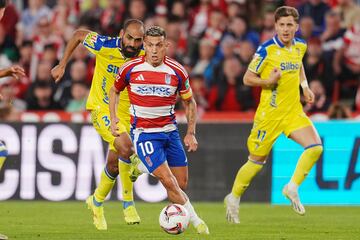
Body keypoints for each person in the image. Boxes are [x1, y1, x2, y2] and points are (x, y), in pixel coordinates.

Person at [224, 6, 323, 224]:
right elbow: (247, 78)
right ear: (275, 26)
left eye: (289, 25)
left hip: (293, 112)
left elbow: (298, 67)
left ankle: (292, 187)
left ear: (296, 27)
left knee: (315, 147)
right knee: (256, 162)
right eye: (282, 25)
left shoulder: (301, 46)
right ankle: (233, 197)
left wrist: (304, 87)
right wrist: (267, 82)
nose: (286, 29)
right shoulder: (265, 50)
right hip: (268, 116)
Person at [109, 26, 209, 235]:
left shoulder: (177, 71)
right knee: (168, 181)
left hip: (170, 133)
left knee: (180, 184)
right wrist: (114, 118)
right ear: (144, 45)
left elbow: (189, 102)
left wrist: (191, 132)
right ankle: (197, 222)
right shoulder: (130, 68)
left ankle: (140, 168)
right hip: (145, 133)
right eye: (150, 45)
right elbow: (114, 90)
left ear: (166, 46)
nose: (154, 50)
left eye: (159, 45)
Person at [51, 19, 145, 230]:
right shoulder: (105, 44)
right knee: (126, 148)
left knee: (114, 163)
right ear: (121, 34)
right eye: (129, 37)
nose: (132, 43)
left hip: (129, 115)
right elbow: (77, 35)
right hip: (102, 107)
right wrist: (62, 64)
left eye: (138, 40)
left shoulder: (146, 56)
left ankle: (96, 201)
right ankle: (128, 203)